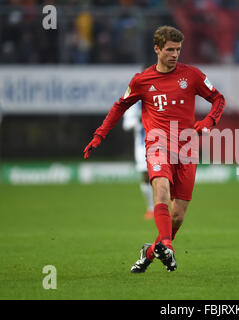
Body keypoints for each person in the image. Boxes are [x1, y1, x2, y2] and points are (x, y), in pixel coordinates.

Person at [83, 26, 225, 272]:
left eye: (178, 49)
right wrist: (99, 136)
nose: (175, 54)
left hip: (187, 149)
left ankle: (150, 252)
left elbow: (218, 99)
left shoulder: (191, 76)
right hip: (157, 143)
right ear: (157, 49)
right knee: (160, 188)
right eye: (170, 49)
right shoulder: (142, 80)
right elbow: (119, 107)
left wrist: (208, 122)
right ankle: (167, 246)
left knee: (178, 216)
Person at [122, 100, 154, 220]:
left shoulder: (159, 97)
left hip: (162, 142)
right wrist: (138, 119)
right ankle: (151, 208)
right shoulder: (135, 103)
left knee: (165, 174)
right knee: (146, 176)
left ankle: (166, 206)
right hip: (142, 146)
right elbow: (126, 125)